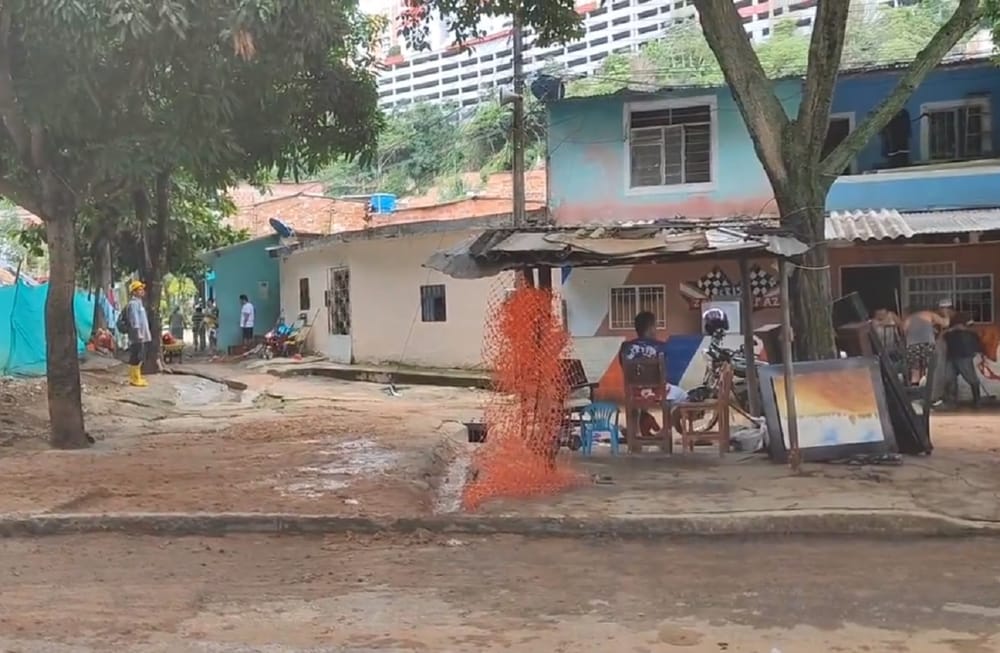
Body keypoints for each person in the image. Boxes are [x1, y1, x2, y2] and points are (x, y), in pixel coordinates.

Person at [620, 311, 687, 437]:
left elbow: (624, 368)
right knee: (683, 396)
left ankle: (633, 431)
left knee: (637, 398)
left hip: (634, 393)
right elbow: (665, 372)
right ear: (651, 328)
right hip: (657, 392)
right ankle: (665, 430)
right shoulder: (661, 347)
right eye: (655, 326)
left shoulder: (625, 347)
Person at [943, 312, 983, 406]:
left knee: (971, 378)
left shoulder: (969, 331)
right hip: (952, 355)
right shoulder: (950, 330)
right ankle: (951, 401)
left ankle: (977, 400)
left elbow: (975, 337)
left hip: (963, 355)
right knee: (949, 378)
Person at [904, 306, 949, 385]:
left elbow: (904, 332)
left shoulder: (908, 319)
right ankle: (929, 387)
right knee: (929, 369)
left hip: (912, 345)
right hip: (927, 344)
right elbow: (945, 323)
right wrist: (946, 314)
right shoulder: (928, 314)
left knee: (915, 370)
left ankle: (915, 388)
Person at [126, 280, 151, 388]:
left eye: (142, 289)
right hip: (137, 336)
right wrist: (138, 333)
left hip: (141, 335)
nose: (142, 291)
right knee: (136, 356)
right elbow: (134, 320)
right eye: (140, 290)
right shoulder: (133, 304)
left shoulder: (139, 303)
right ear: (134, 292)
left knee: (139, 356)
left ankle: (137, 377)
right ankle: (134, 378)